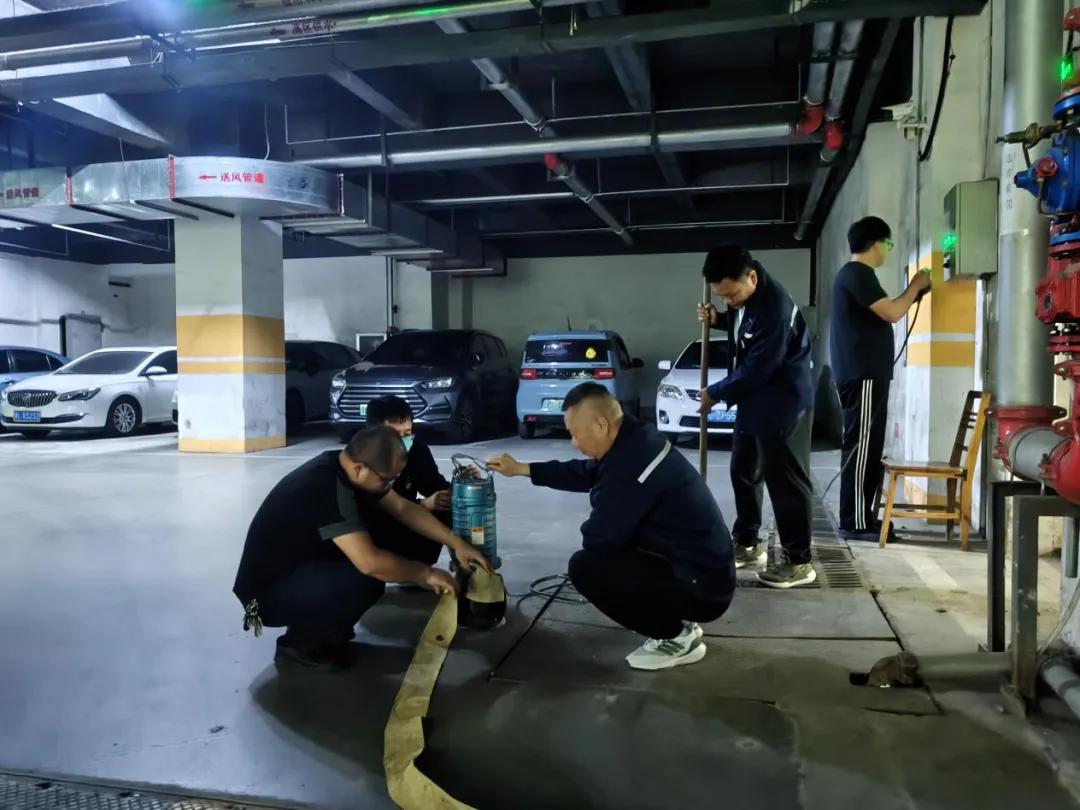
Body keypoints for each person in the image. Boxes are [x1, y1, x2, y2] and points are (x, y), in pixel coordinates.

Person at [488, 383, 735, 671]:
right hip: (702, 568)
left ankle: (675, 636)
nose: (574, 443)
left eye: (575, 434)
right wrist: (522, 469)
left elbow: (599, 540)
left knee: (587, 568)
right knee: (615, 551)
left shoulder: (632, 467)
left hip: (704, 589)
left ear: (601, 425)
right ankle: (677, 617)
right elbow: (587, 473)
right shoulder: (635, 439)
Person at [232, 426, 490, 671]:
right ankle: (301, 643)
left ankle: (325, 627)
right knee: (366, 578)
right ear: (359, 468)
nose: (390, 486)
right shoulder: (324, 488)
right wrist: (426, 574)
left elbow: (403, 509)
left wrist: (456, 544)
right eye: (387, 480)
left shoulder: (346, 465)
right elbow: (370, 563)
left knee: (379, 548)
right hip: (262, 597)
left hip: (301, 567)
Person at [696, 245, 816, 588]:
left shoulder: (774, 308)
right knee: (743, 471)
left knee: (785, 481)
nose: (728, 301)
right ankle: (748, 544)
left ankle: (799, 561)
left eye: (731, 295)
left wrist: (715, 392)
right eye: (722, 296)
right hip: (754, 400)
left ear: (751, 276)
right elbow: (744, 327)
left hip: (783, 403)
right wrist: (720, 320)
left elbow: (759, 367)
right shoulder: (746, 296)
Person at [830, 217, 931, 541]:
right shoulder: (857, 274)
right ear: (876, 243)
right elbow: (892, 312)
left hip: (866, 375)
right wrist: (916, 285)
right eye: (888, 244)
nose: (888, 250)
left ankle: (864, 518)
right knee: (862, 449)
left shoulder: (857, 276)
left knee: (869, 448)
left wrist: (913, 292)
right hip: (862, 375)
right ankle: (854, 522)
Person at [364, 395, 455, 567]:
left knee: (449, 508)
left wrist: (462, 486)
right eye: (395, 435)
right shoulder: (361, 462)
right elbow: (372, 513)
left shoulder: (417, 452)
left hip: (409, 524)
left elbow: (437, 486)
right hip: (372, 536)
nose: (403, 442)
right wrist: (423, 505)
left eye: (407, 434)